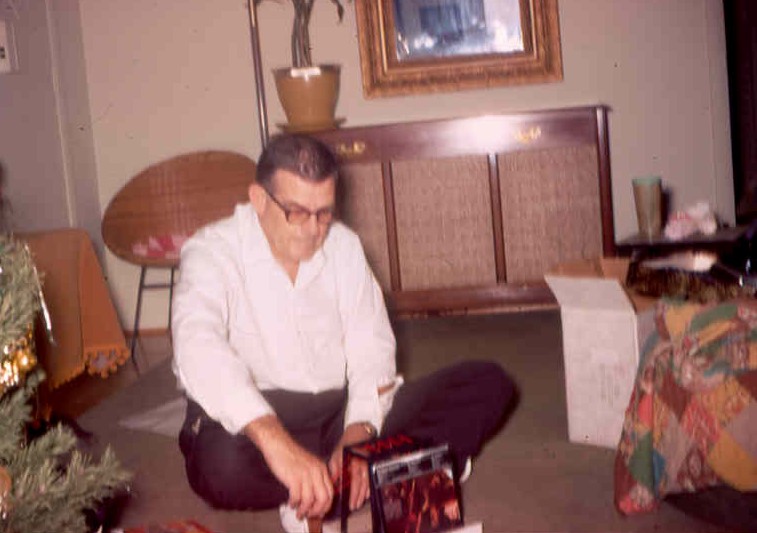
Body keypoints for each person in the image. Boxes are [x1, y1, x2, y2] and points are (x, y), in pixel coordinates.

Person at [172, 134, 514, 533]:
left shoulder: (345, 247)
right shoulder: (211, 251)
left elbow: (372, 348)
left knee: (487, 383)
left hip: (337, 412)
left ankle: (324, 489)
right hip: (258, 420)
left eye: (324, 213)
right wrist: (277, 445)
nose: (313, 230)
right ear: (259, 199)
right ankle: (358, 480)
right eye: (297, 212)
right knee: (219, 468)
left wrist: (359, 432)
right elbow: (197, 346)